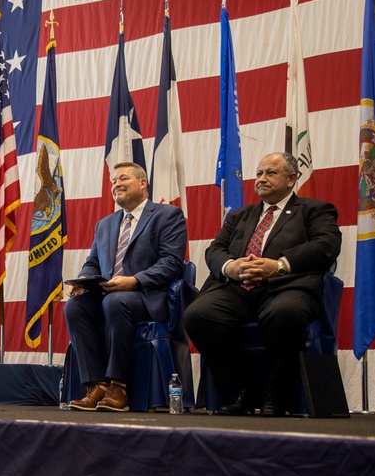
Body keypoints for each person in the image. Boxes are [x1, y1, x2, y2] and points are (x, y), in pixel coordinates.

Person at [183, 152, 341, 416]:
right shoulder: (239, 216)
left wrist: (278, 265)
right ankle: (240, 388)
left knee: (285, 313)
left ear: (291, 179)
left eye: (270, 173)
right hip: (238, 287)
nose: (261, 179)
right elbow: (215, 249)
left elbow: (326, 246)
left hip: (286, 287)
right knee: (197, 315)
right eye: (259, 174)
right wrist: (229, 267)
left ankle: (276, 392)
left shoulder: (314, 210)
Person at [64, 162, 187, 412]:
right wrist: (82, 281)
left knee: (115, 301)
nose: (116, 184)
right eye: (113, 181)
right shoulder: (105, 224)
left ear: (143, 183)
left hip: (146, 296)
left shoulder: (167, 215)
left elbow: (171, 263)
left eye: (123, 179)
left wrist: (135, 280)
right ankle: (96, 384)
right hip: (110, 295)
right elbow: (93, 262)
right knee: (75, 306)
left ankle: (119, 386)